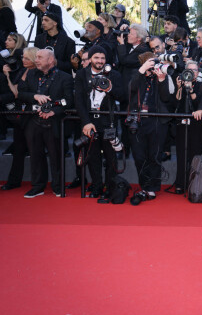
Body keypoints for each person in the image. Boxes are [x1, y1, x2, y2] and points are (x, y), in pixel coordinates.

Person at [17, 49, 74, 198]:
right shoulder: (30, 74)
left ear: (50, 60)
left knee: (56, 156)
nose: (36, 60)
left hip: (54, 123)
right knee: (35, 156)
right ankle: (37, 186)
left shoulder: (65, 78)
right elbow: (21, 94)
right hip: (33, 122)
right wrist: (34, 96)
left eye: (40, 57)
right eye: (36, 57)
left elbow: (69, 100)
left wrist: (53, 111)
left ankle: (57, 186)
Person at [74, 46, 125, 199]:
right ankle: (96, 186)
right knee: (92, 156)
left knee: (111, 157)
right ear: (90, 59)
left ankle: (110, 186)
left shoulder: (114, 74)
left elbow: (122, 96)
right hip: (89, 121)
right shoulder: (82, 74)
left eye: (102, 58)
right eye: (97, 58)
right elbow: (79, 101)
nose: (100, 61)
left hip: (108, 121)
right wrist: (86, 122)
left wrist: (109, 89)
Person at [127, 52, 172, 202]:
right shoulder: (137, 75)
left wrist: (161, 79)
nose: (154, 65)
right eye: (150, 63)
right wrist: (142, 70)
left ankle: (152, 187)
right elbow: (130, 90)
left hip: (156, 121)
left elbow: (166, 97)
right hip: (138, 121)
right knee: (139, 156)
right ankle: (144, 185)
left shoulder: (160, 76)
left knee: (154, 156)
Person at [0, 47, 39, 190]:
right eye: (23, 57)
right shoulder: (23, 71)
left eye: (26, 58)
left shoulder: (38, 73)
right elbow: (15, 91)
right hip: (21, 115)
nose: (23, 60)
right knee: (18, 149)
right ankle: (13, 181)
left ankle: (37, 183)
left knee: (35, 150)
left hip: (33, 116)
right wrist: (7, 76)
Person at [172, 60, 202, 193]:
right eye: (190, 70)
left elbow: (201, 103)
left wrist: (191, 90)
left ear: (198, 73)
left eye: (195, 70)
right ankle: (180, 182)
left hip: (196, 125)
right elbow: (175, 103)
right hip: (181, 124)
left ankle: (194, 183)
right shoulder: (180, 83)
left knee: (195, 154)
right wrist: (179, 87)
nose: (192, 72)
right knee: (181, 154)